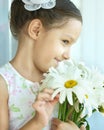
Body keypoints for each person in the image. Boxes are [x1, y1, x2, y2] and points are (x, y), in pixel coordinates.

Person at [0, 0, 85, 130]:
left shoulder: (64, 84)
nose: (68, 55)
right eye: (65, 41)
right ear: (36, 30)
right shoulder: (4, 85)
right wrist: (37, 123)